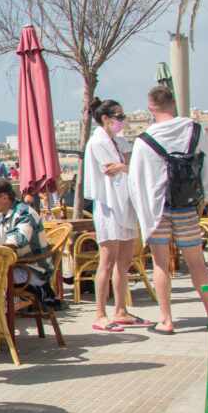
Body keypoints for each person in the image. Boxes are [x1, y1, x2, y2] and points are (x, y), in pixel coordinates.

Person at [127, 85, 208, 334]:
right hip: (186, 205)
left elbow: (137, 182)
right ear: (173, 103)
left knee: (161, 264)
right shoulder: (194, 129)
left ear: (151, 108)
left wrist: (143, 215)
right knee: (197, 263)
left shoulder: (144, 140)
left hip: (158, 210)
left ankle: (166, 320)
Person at [82, 98, 146, 333]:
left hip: (126, 204)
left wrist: (123, 166)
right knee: (107, 261)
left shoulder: (120, 141)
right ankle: (100, 312)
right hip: (108, 206)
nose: (122, 121)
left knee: (125, 260)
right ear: (106, 119)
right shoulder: (97, 142)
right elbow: (111, 168)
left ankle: (121, 309)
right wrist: (124, 166)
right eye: (118, 117)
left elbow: (131, 164)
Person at [0, 177, 56, 305]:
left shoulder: (25, 214)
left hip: (32, 270)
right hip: (13, 266)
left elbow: (15, 242)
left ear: (4, 197)